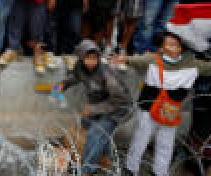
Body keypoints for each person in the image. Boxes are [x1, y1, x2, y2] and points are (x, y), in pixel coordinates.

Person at [114, 31, 211, 176]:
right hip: (148, 108)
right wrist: (123, 59)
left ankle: (160, 172)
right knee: (140, 139)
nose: (171, 48)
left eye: (175, 45)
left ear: (181, 48)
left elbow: (208, 68)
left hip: (171, 109)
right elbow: (137, 60)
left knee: (166, 142)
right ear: (161, 47)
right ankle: (131, 168)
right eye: (168, 44)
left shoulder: (192, 64)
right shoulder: (153, 59)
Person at [57, 39, 131, 175]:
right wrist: (62, 85)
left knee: (95, 134)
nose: (91, 62)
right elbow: (76, 77)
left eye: (94, 58)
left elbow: (121, 100)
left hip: (118, 109)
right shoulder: (80, 67)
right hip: (99, 105)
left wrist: (93, 109)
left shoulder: (107, 74)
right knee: (87, 125)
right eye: (87, 58)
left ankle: (88, 170)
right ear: (81, 57)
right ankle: (105, 158)